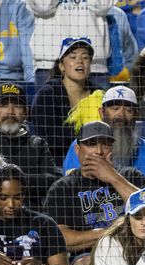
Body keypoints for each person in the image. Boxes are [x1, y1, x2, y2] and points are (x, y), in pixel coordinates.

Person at [43, 120, 145, 257]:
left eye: (105, 144)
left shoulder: (132, 176)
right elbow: (60, 238)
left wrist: (113, 177)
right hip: (87, 257)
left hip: (133, 251)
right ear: (77, 150)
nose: (99, 151)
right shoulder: (62, 188)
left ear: (112, 148)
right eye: (91, 144)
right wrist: (108, 233)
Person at [62, 86, 145, 194]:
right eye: (115, 109)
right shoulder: (83, 145)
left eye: (128, 110)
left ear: (136, 115)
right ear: (102, 112)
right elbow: (72, 190)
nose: (121, 115)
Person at [31, 37, 99, 167]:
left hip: (94, 162)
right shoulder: (46, 95)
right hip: (55, 164)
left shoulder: (99, 94)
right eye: (73, 57)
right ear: (62, 66)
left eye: (85, 57)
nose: (80, 61)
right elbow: (47, 139)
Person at [26, 0, 111, 89]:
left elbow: (103, 6)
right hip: (49, 62)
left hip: (94, 64)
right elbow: (42, 7)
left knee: (98, 102)